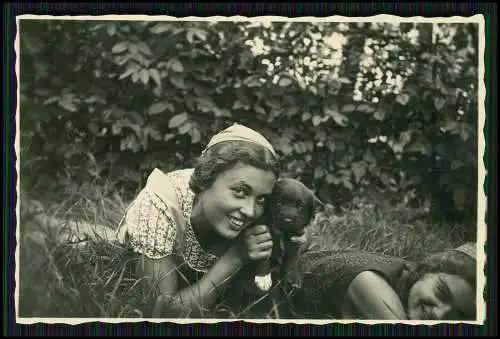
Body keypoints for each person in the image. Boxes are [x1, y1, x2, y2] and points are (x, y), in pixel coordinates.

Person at [114, 123, 306, 318]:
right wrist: (236, 256)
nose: (250, 211)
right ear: (206, 180)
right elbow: (162, 313)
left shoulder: (260, 213)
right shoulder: (161, 204)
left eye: (261, 198)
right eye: (240, 191)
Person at [285, 242, 477, 320]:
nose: (440, 314)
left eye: (458, 315)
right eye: (441, 292)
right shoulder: (370, 283)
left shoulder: (409, 281)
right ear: (428, 270)